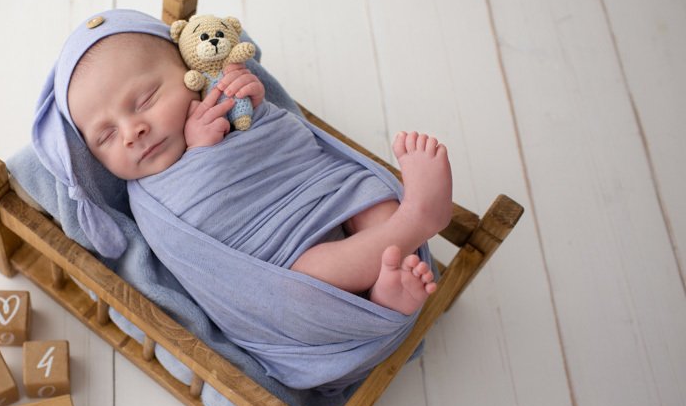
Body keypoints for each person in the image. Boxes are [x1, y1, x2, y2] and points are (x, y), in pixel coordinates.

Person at [66, 30, 452, 316]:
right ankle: (416, 223)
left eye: (145, 100)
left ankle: (388, 286)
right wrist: (201, 155)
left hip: (317, 195)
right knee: (308, 277)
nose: (133, 132)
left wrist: (249, 97)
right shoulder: (149, 198)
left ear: (191, 75)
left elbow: (288, 145)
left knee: (362, 194)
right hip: (280, 263)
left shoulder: (216, 101)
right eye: (107, 135)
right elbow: (199, 242)